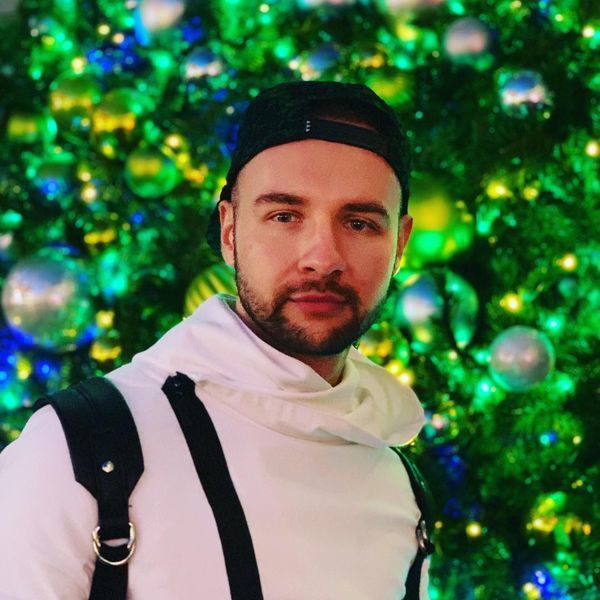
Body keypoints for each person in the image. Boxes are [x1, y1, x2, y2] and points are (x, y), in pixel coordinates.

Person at [0, 81, 432, 599]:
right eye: (285, 216)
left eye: (359, 223)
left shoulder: (397, 485)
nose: (322, 257)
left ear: (399, 244)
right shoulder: (79, 449)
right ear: (229, 231)